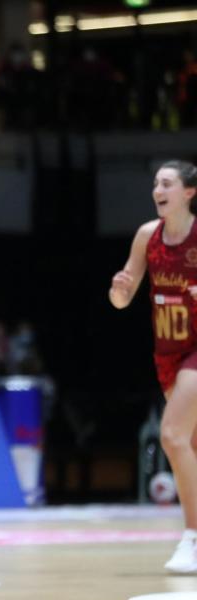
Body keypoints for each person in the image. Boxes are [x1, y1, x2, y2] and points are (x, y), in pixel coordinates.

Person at [109, 160, 197, 573]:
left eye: (166, 183)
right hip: (168, 352)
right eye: (155, 183)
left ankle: (192, 538)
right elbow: (122, 300)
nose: (156, 190)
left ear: (189, 193)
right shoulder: (148, 236)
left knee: (172, 435)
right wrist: (118, 290)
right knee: (191, 446)